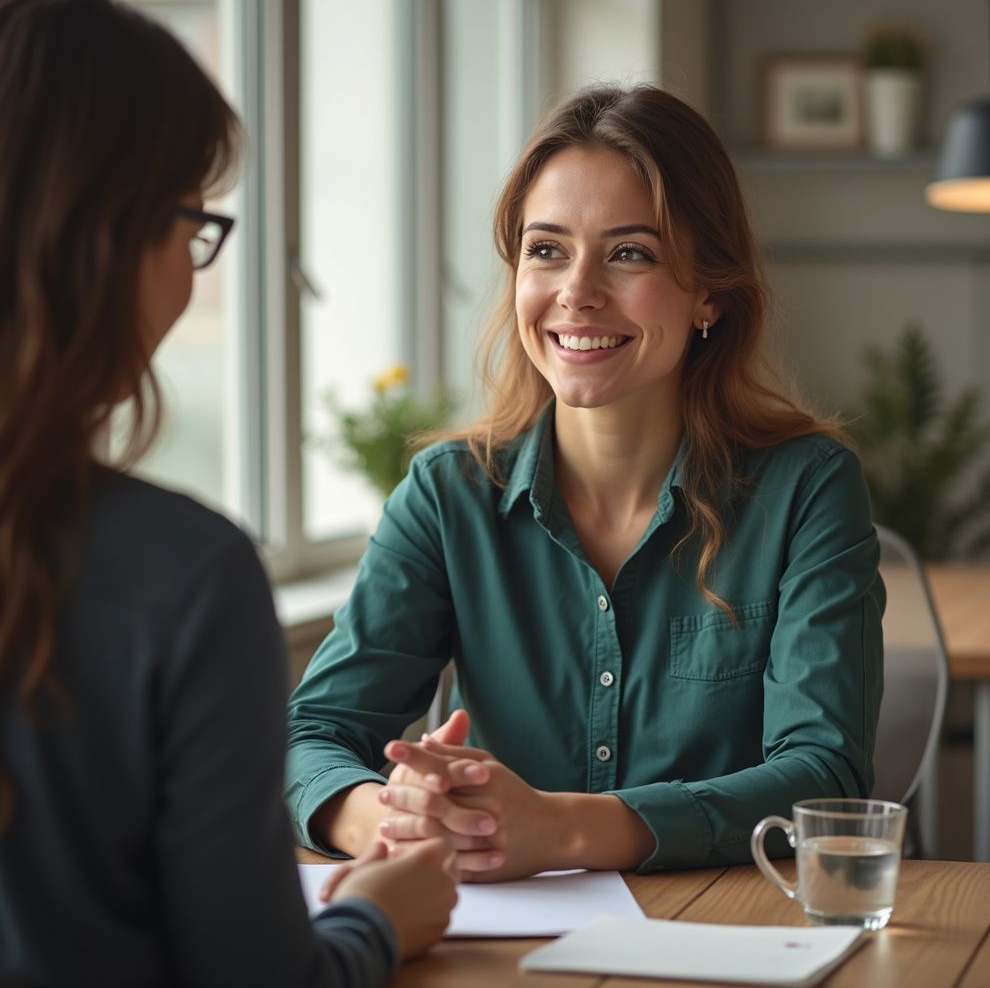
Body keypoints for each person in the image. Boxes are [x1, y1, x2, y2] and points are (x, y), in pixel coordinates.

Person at [286, 85, 885, 881]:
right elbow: (312, 736)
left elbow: (825, 774)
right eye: (546, 249)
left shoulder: (807, 486)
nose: (577, 291)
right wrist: (393, 821)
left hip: (731, 933)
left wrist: (561, 829)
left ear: (709, 290)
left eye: (629, 252)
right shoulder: (445, 495)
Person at [0, 0, 456, 988]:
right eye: (189, 224)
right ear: (108, 238)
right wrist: (375, 919)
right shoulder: (184, 577)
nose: (193, 271)